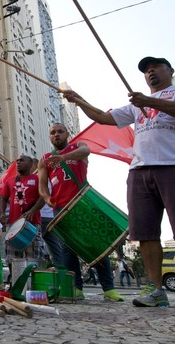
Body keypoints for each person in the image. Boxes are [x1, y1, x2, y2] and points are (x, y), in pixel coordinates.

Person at [62, 56, 174, 307]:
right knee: (145, 233)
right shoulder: (136, 106)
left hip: (171, 166)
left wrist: (149, 101)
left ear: (170, 70)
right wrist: (79, 101)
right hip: (140, 171)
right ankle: (157, 290)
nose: (150, 72)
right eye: (146, 70)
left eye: (155, 67)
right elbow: (103, 118)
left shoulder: (169, 94)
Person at [38, 123, 123, 302]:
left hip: (83, 203)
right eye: (52, 132)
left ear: (67, 134)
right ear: (49, 137)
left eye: (60, 132)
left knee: (96, 245)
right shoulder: (45, 158)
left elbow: (86, 151)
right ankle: (76, 288)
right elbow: (42, 184)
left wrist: (63, 157)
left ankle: (109, 289)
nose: (56, 135)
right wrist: (46, 198)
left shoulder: (78, 147)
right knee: (67, 249)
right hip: (60, 209)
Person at [0, 155, 45, 270]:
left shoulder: (37, 179)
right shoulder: (10, 181)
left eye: (22, 161)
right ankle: (15, 283)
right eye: (17, 161)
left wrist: (32, 211)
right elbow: (3, 198)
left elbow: (43, 197)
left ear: (30, 164)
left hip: (32, 224)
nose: (18, 163)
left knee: (33, 257)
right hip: (13, 224)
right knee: (13, 258)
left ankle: (32, 285)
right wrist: (2, 213)